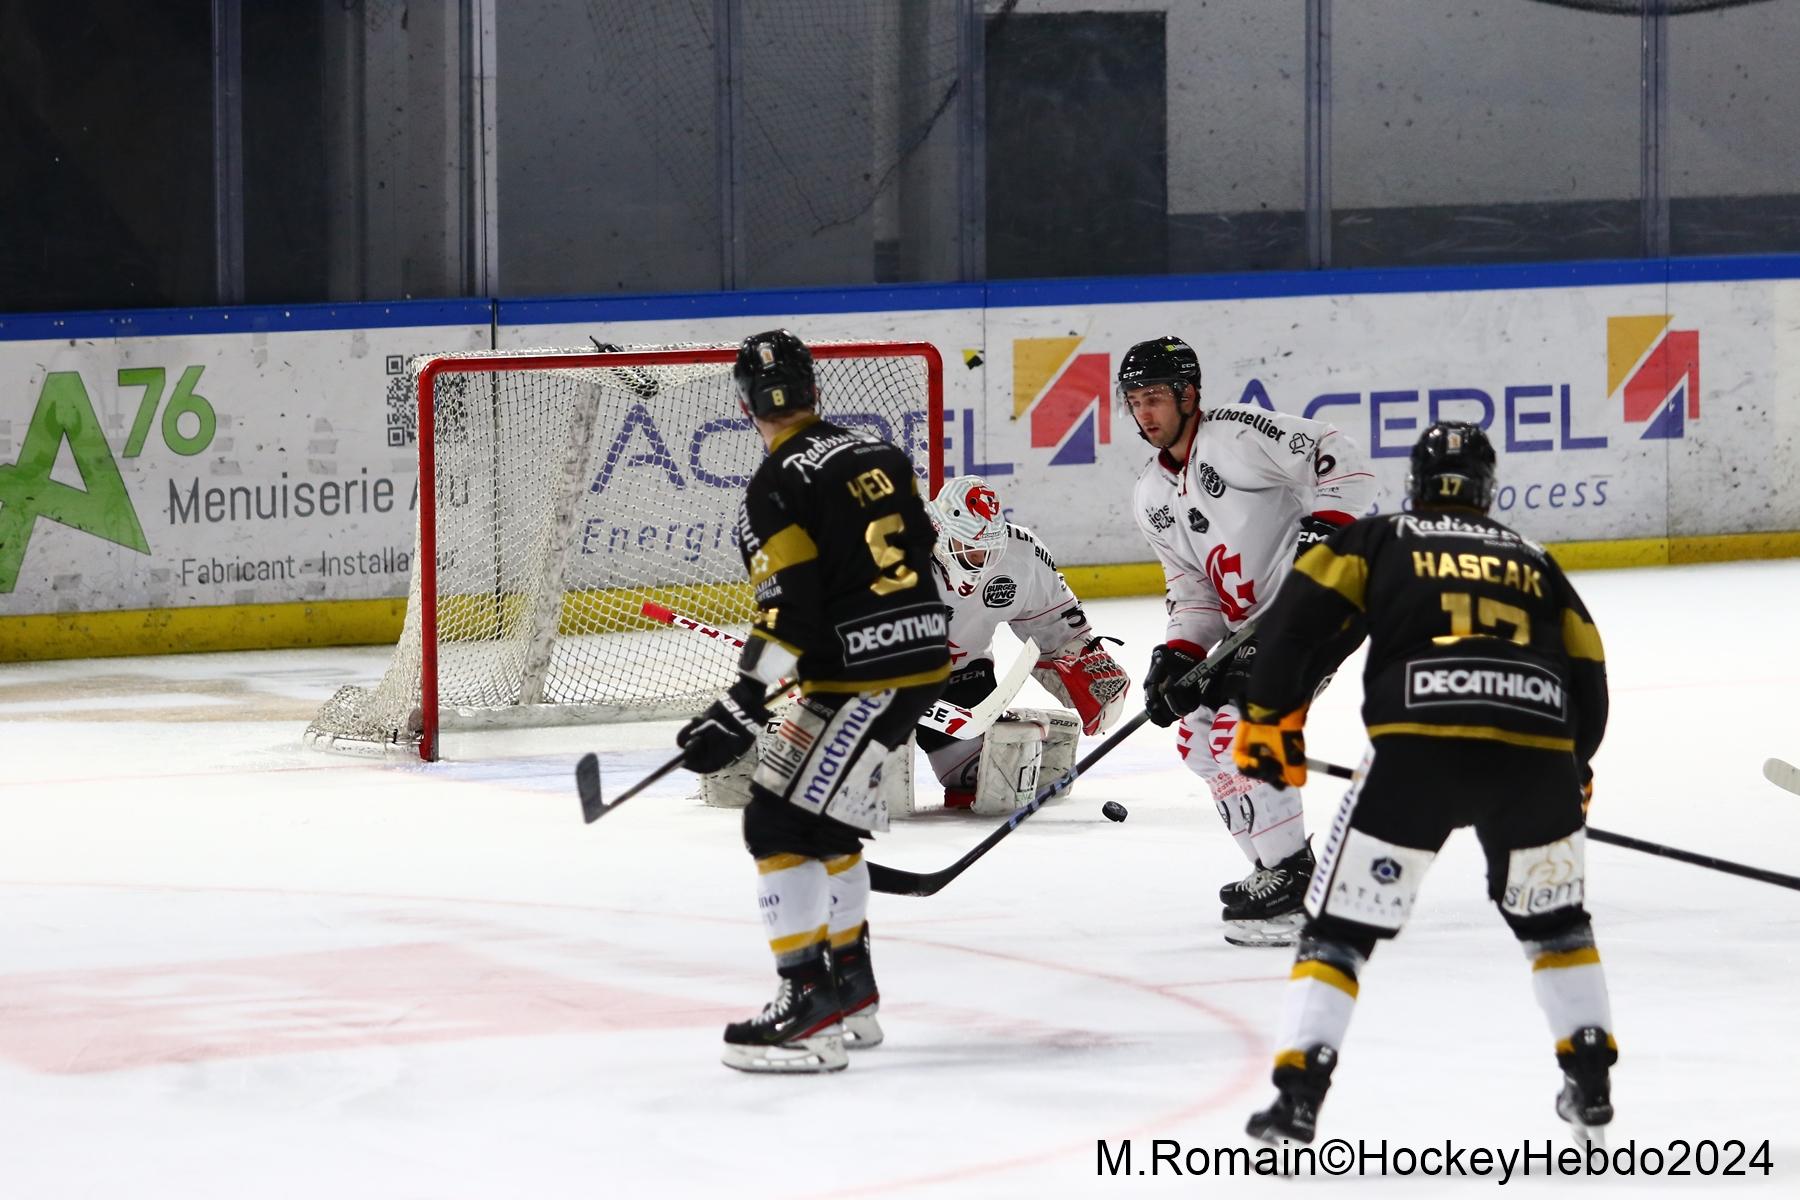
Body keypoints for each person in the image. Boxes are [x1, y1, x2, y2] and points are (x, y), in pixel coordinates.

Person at [1232, 421, 1615, 1145]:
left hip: (1417, 753)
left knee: (1338, 931)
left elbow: (1295, 622)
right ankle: (1590, 1079)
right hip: (1534, 759)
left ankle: (1298, 1098)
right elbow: (1588, 674)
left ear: (1416, 481)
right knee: (1557, 925)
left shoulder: (1381, 538)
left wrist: (1267, 718)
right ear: (1486, 485)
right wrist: (1578, 765)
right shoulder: (1536, 559)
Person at [674, 330, 950, 1074]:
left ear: (743, 405)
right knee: (824, 825)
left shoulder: (774, 485)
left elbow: (788, 611)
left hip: (863, 676)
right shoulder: (878, 452)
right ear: (814, 389)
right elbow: (920, 549)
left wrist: (742, 702)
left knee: (775, 820)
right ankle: (852, 989)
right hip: (919, 657)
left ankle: (807, 1006)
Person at [1117, 336, 1374, 946]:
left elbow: (1340, 455)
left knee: (1244, 725)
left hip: (1320, 605)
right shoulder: (1150, 494)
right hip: (1252, 626)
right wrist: (1175, 657)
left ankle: (1293, 877)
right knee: (1197, 739)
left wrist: (1326, 533)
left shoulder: (1234, 436)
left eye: (1155, 397)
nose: (1145, 413)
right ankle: (1271, 868)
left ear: (1188, 394)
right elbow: (1195, 592)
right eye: (1134, 401)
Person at [915, 474, 1130, 813]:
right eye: (971, 549)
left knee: (985, 776)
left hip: (960, 673)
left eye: (989, 550)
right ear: (940, 536)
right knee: (858, 787)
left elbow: (1055, 622)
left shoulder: (1020, 553)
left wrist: (1077, 656)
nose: (982, 560)